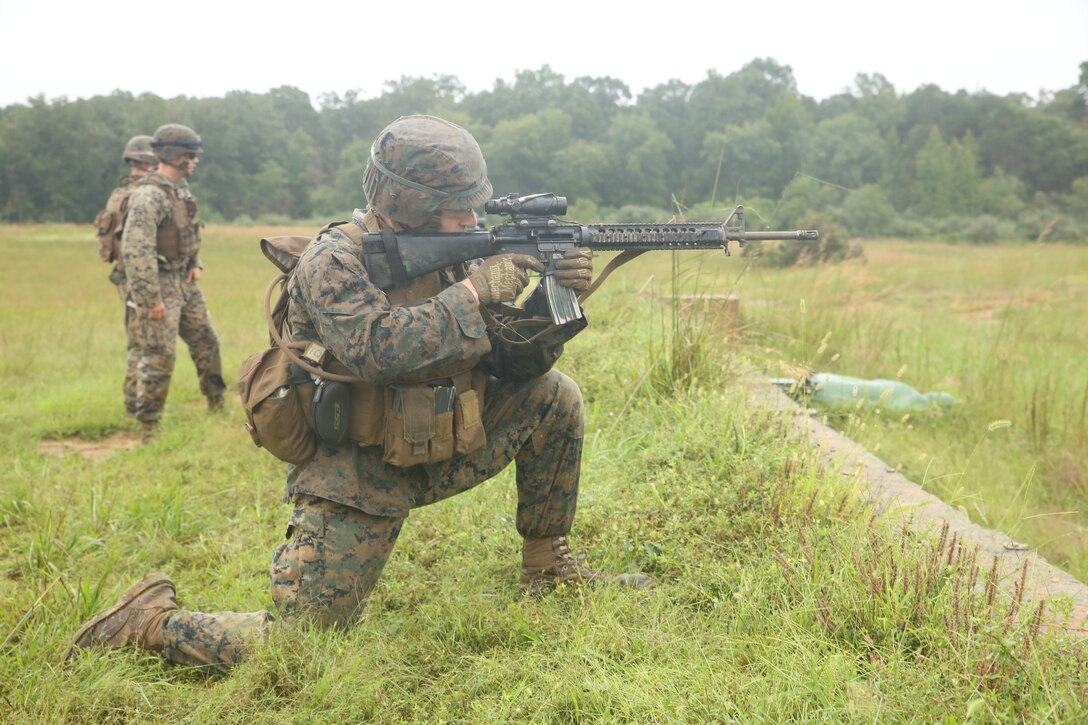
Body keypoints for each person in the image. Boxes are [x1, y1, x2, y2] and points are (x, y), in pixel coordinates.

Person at [67, 115, 653, 674]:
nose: (471, 219)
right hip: (355, 473)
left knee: (553, 395)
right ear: (411, 205)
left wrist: (553, 299)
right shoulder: (335, 260)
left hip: (442, 437)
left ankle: (547, 569)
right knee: (304, 642)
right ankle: (147, 622)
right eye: (457, 209)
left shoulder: (459, 254)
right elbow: (381, 351)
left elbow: (514, 363)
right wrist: (475, 292)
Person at [121, 123, 226, 441]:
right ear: (177, 156)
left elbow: (188, 231)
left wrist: (195, 263)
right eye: (191, 155)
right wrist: (150, 299)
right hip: (159, 283)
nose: (195, 161)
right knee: (158, 355)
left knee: (207, 341)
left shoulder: (180, 190)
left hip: (184, 281)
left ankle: (216, 405)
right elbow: (135, 251)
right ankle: (148, 427)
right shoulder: (148, 196)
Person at [93, 135, 158, 418]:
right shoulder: (140, 196)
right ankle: (134, 408)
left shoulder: (118, 194)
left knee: (137, 342)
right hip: (140, 279)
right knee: (143, 344)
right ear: (147, 161)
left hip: (124, 276)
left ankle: (134, 405)